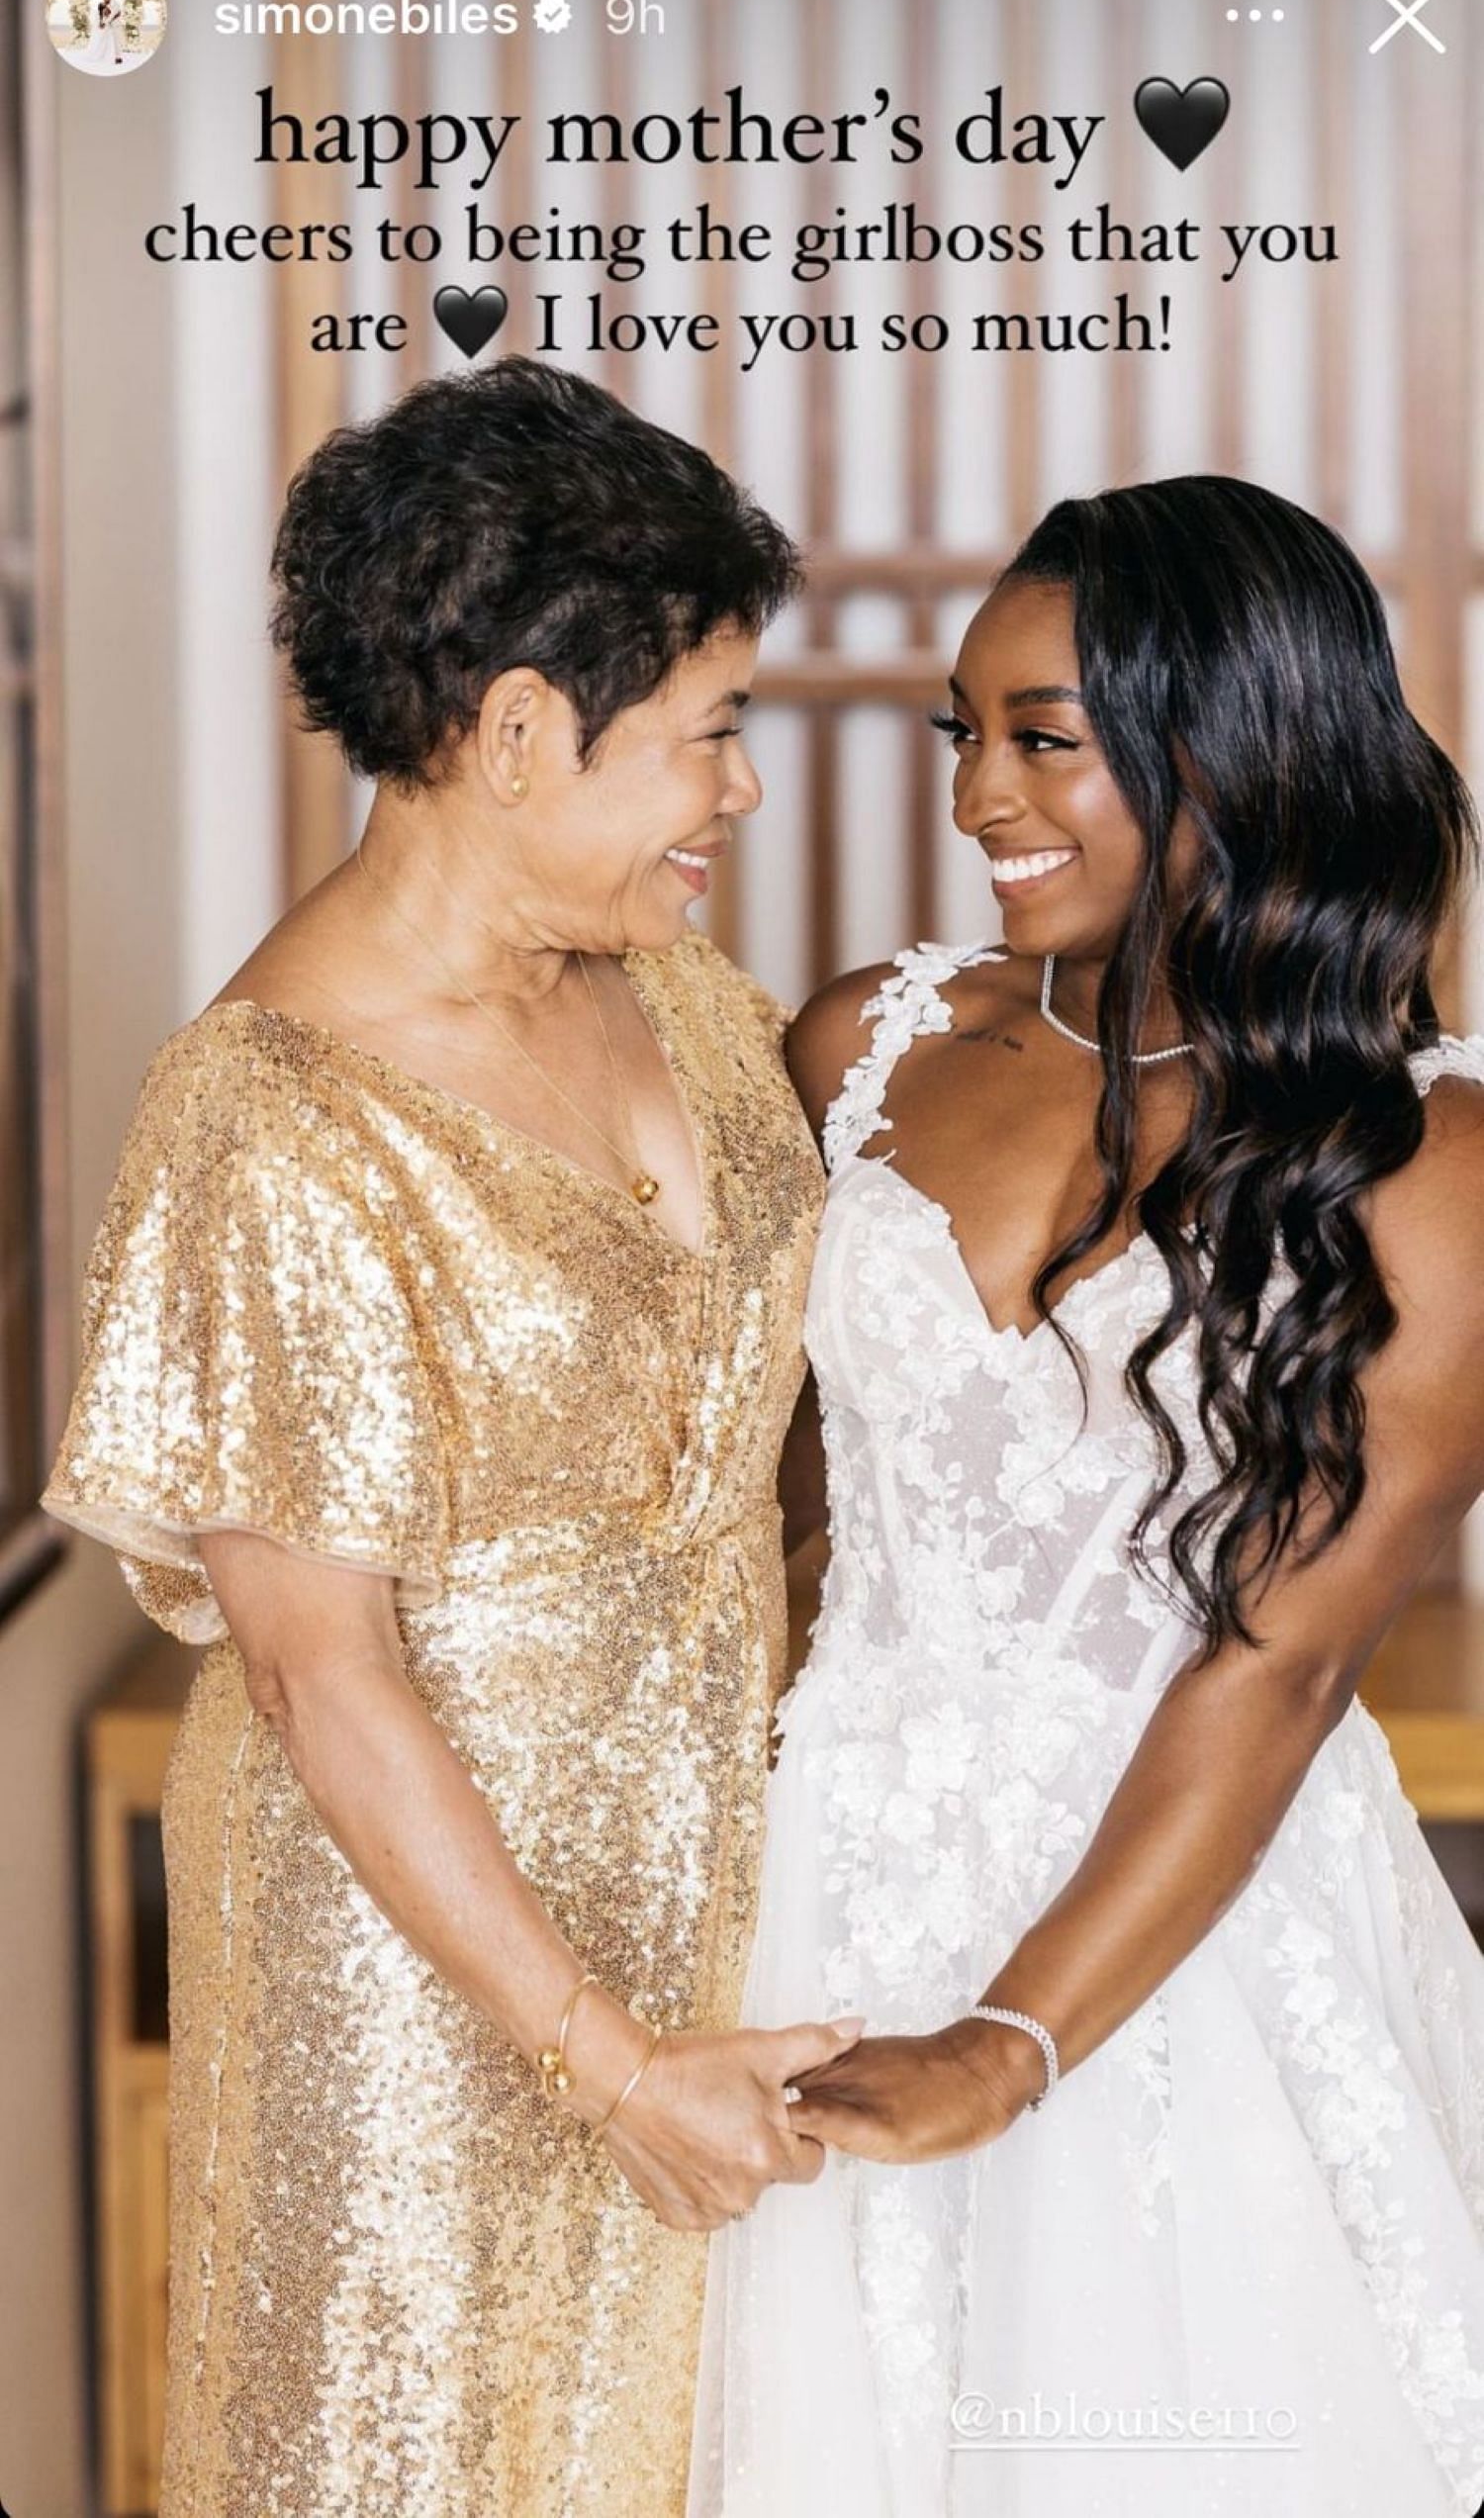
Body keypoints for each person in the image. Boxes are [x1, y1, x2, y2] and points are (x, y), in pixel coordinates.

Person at [42, 357, 864, 2515]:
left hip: (719, 1882)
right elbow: (326, 1672)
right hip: (413, 1979)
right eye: (707, 732)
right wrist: (604, 2071)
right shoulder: (267, 1122)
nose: (739, 796)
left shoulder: (673, 987)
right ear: (515, 732)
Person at [687, 475, 1484, 2516]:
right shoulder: (865, 1045)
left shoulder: (1434, 1158)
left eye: (1045, 740)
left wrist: (1014, 2043)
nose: (977, 799)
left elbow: (1283, 1668)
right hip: (829, 1887)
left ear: (1235, 750)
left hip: (1187, 1922)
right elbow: (780, 1516)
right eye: (967, 732)